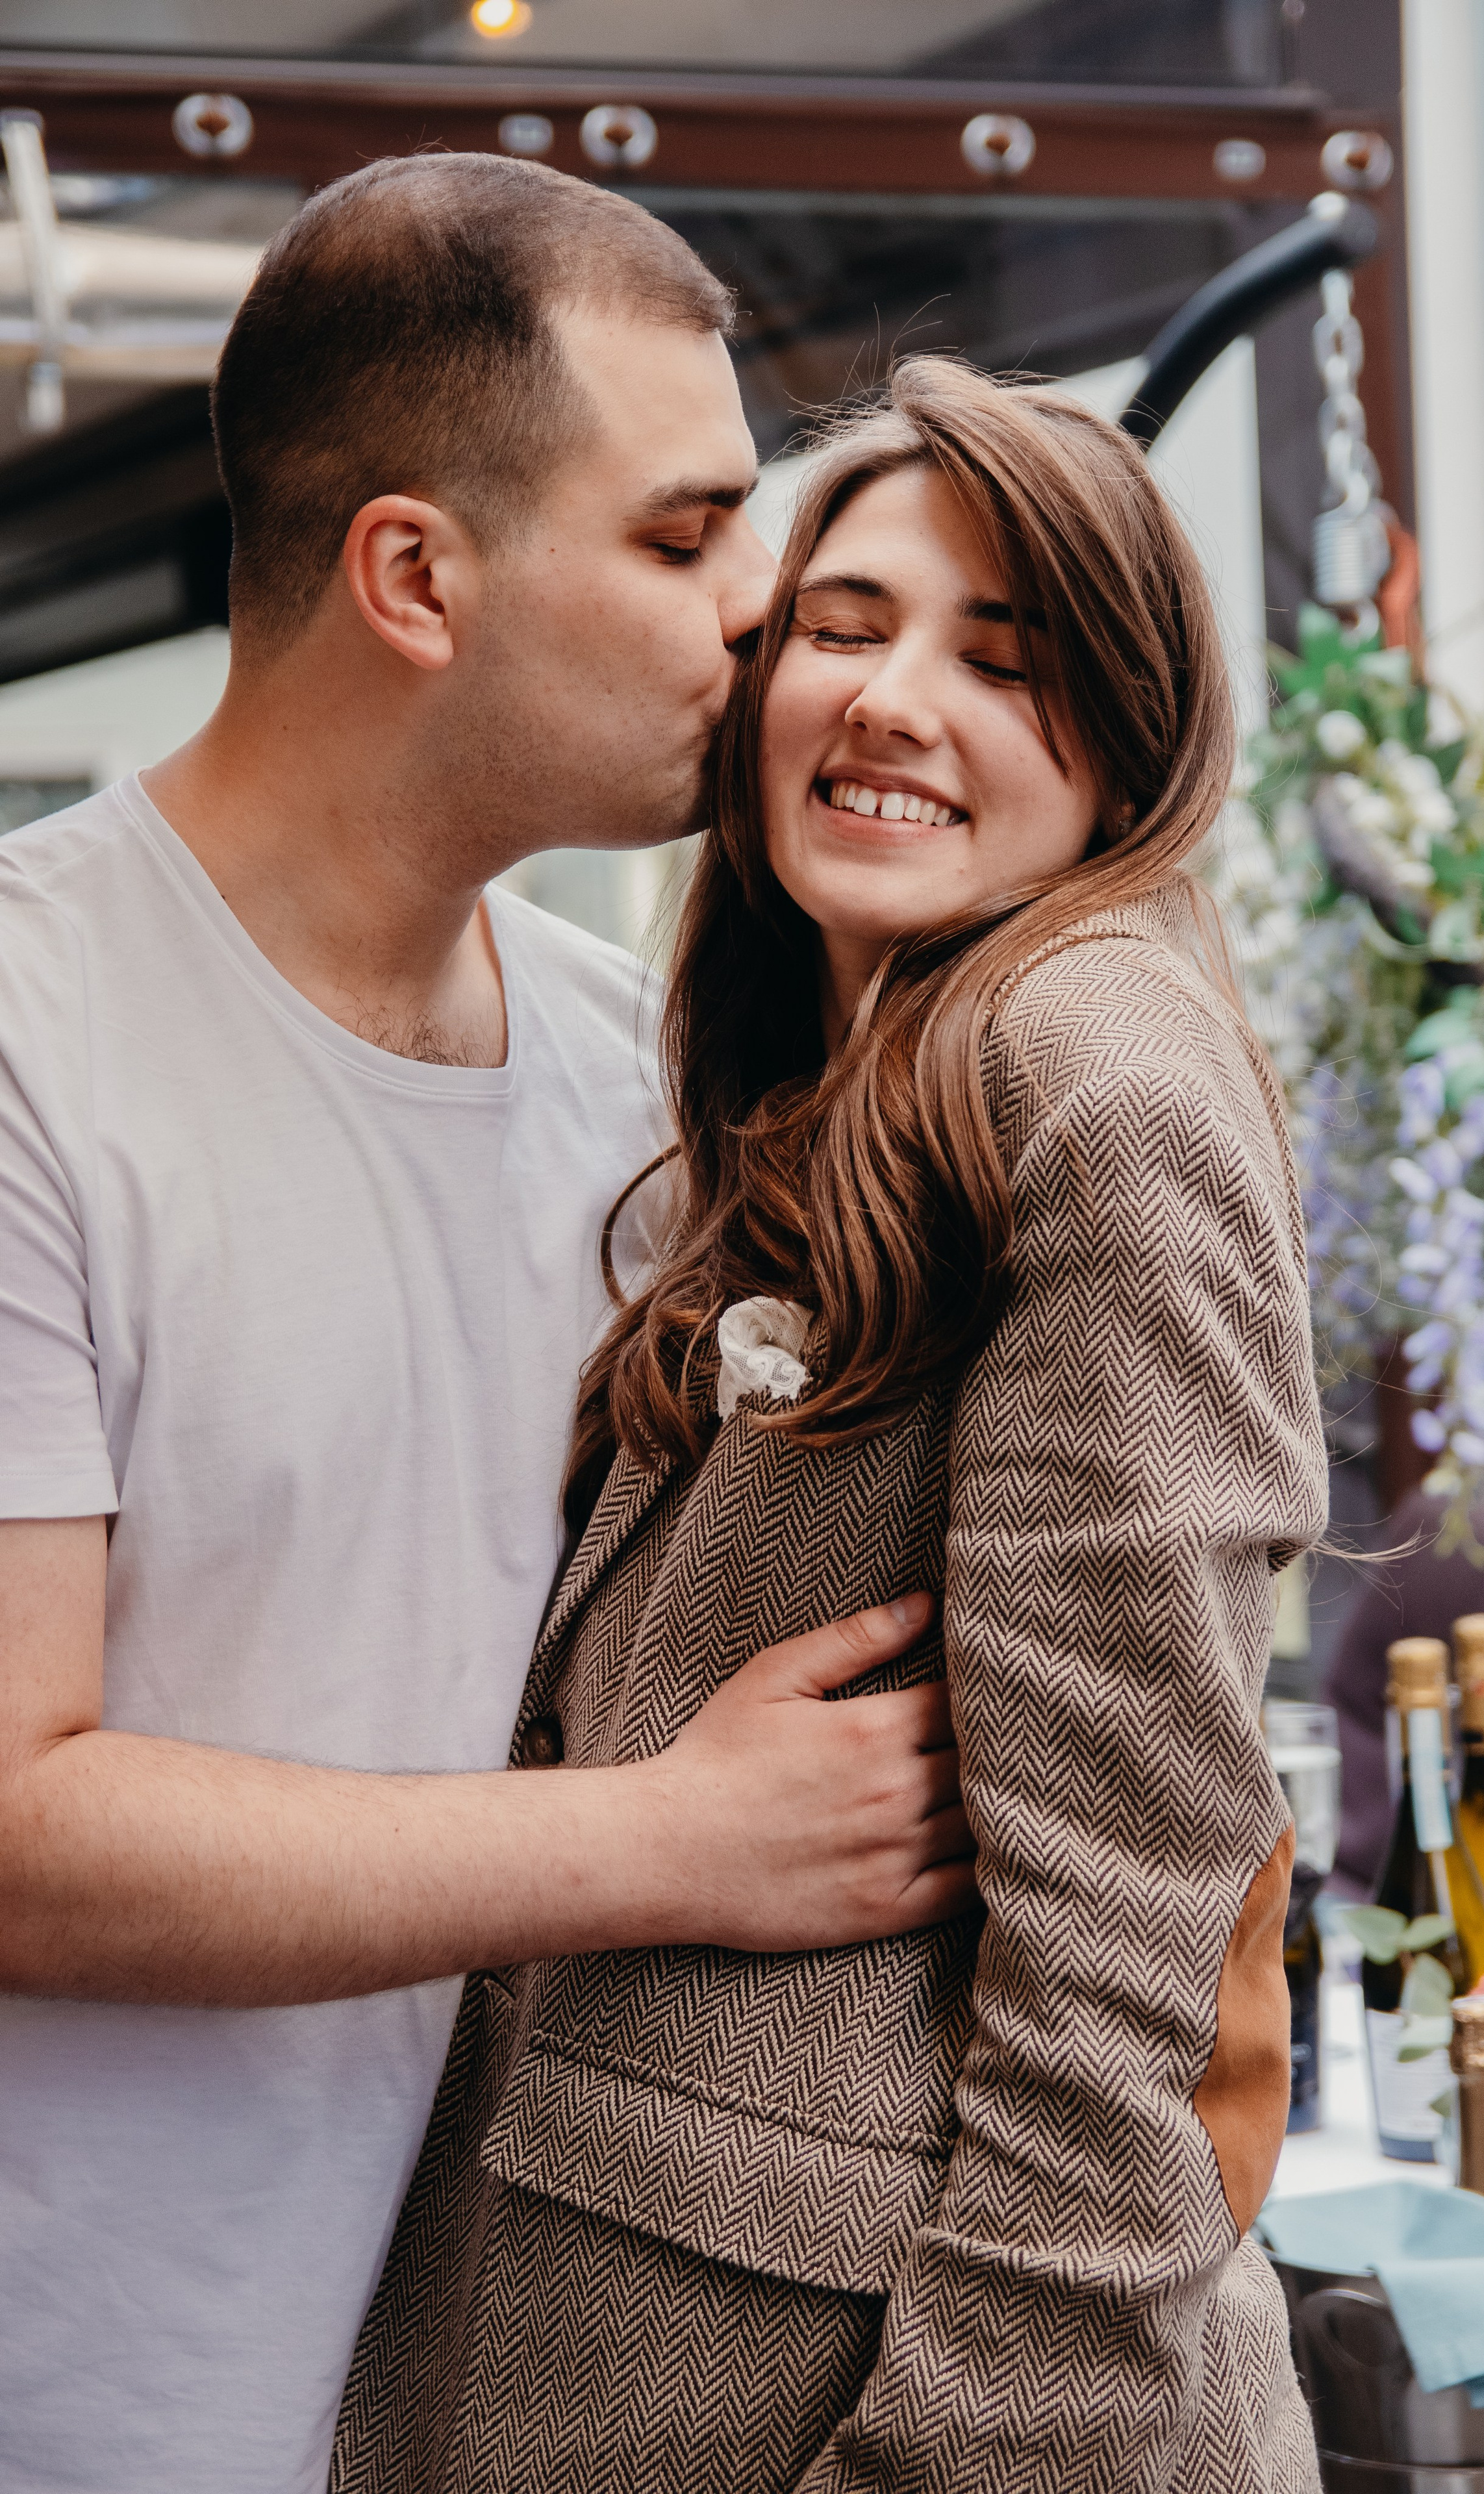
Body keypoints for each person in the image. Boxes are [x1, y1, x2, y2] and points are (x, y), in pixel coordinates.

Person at [0, 158, 975, 2494]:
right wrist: (681, 1843)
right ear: (416, 577)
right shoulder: (32, 1031)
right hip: (107, 2403)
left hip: (531, 2390)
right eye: (679, 540)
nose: (761, 617)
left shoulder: (635, 1060)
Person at [338, 359, 1329, 2493]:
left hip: (868, 2405)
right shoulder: (839, 1071)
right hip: (615, 2344)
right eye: (848, 625)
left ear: (1132, 735)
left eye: (1008, 659)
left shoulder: (1092, 1073)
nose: (892, 703)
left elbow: (1118, 2002)